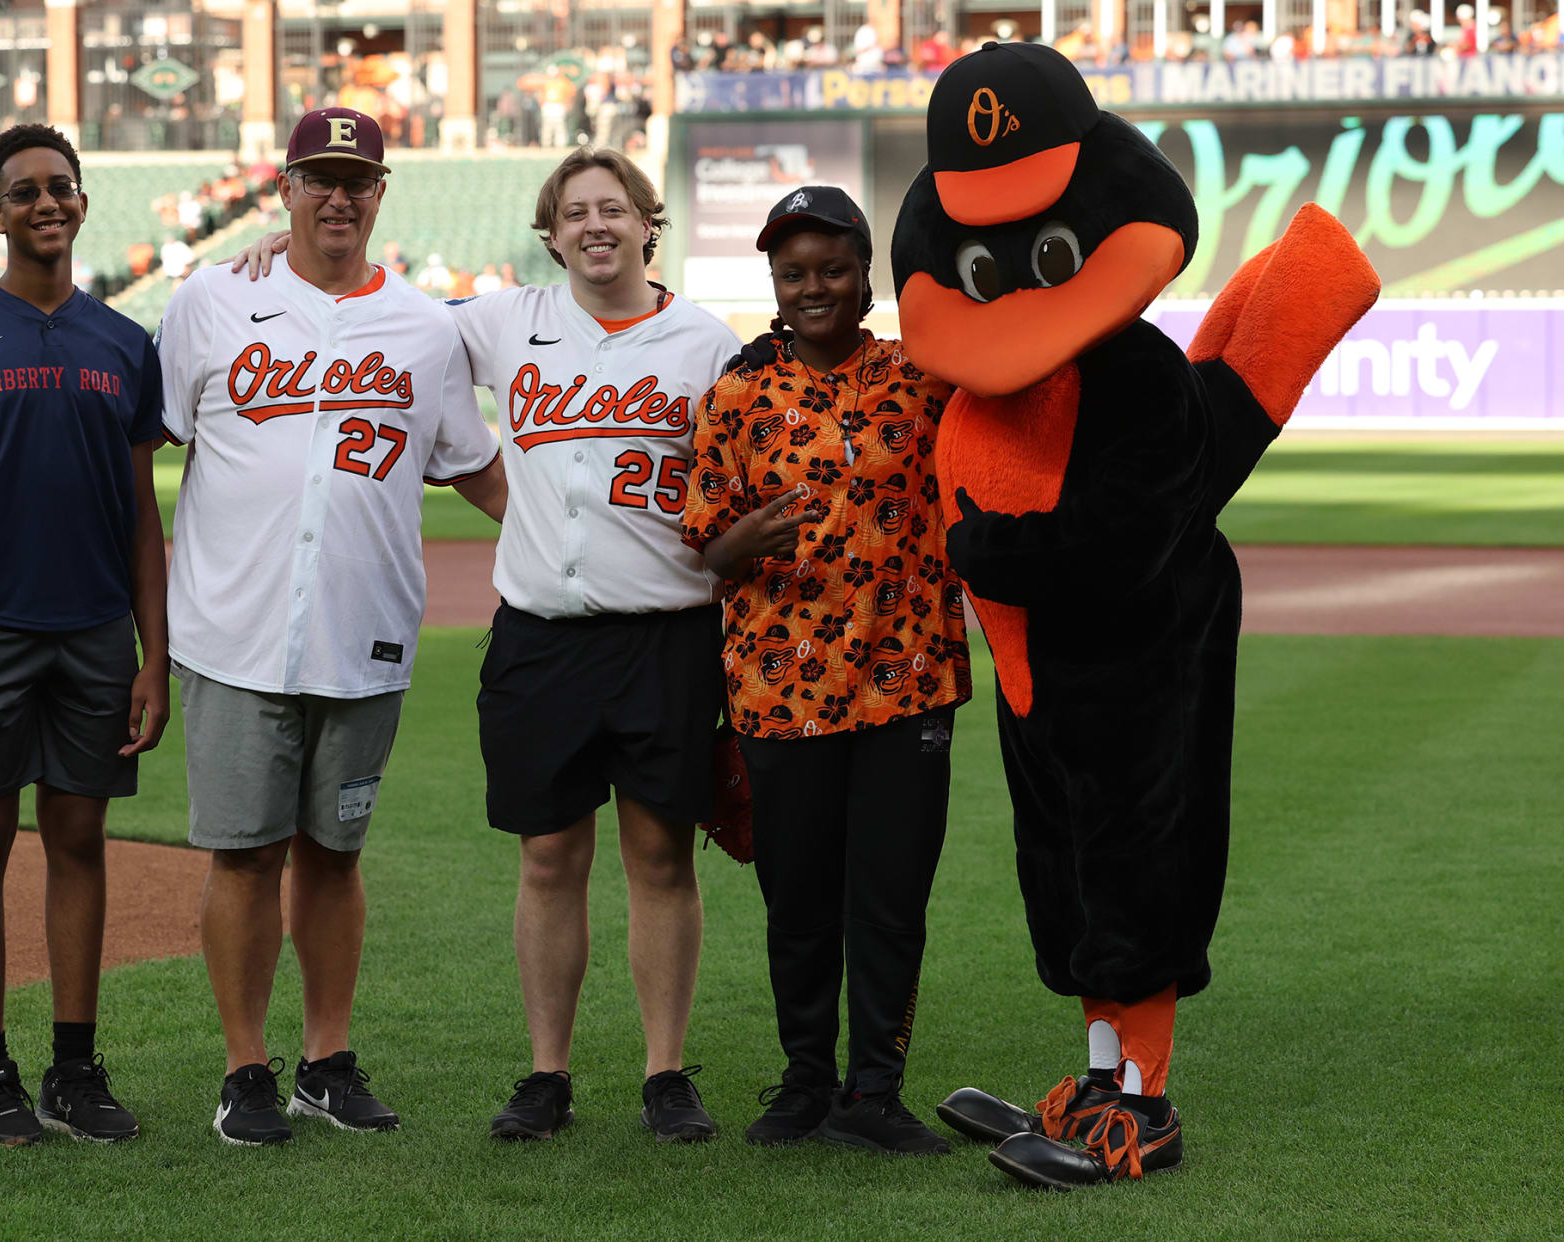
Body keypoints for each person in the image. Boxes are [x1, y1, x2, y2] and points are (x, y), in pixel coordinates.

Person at [228, 146, 741, 1143]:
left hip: (667, 633)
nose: (597, 224)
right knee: (548, 857)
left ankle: (665, 1073)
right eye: (575, 212)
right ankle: (546, 1073)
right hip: (542, 636)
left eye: (615, 207)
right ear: (550, 235)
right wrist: (285, 255)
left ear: (648, 223)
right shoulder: (503, 321)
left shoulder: (705, 343)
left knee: (661, 858)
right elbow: (379, 314)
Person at [156, 106, 507, 1147]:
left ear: (382, 191)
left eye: (358, 179)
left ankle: (326, 1057)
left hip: (366, 635)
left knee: (336, 856)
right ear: (287, 188)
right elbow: (146, 447)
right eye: (321, 177)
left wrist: (618, 543)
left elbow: (477, 469)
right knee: (243, 857)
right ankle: (244, 1068)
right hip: (231, 632)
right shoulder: (210, 303)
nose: (339, 195)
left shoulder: (424, 327)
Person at [0, 122, 169, 1149]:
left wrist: (156, 655)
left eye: (63, 187)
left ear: (85, 204)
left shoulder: (124, 344)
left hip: (95, 631)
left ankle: (74, 1068)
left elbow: (144, 514)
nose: (47, 204)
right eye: (25, 192)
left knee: (82, 838)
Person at [680, 187, 972, 1155]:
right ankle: (805, 1082)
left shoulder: (922, 379)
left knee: (889, 901)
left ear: (865, 278)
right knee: (798, 904)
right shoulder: (738, 392)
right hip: (778, 689)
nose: (814, 287)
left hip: (906, 683)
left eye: (833, 269)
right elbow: (704, 548)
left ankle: (873, 1093)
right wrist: (745, 537)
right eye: (794, 272)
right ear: (773, 281)